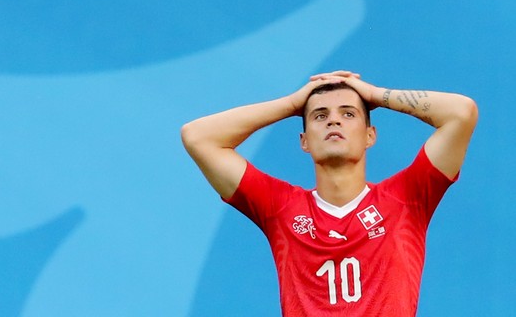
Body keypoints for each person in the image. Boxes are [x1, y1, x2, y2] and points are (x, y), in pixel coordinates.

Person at [180, 70, 478, 316]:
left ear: (370, 136)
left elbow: (461, 113)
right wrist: (292, 103)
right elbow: (198, 136)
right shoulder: (280, 208)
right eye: (319, 116)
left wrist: (374, 95)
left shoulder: (407, 198)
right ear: (304, 140)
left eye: (348, 114)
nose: (334, 121)